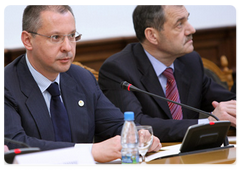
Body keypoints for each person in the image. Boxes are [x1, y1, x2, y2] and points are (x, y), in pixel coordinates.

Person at [2, 3, 161, 163]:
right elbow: (14, 145)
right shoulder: (6, 86)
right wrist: (89, 152)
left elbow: (113, 124)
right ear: (28, 40)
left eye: (72, 36)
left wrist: (138, 136)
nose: (67, 47)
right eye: (55, 37)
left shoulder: (82, 78)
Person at [99, 3, 237, 142]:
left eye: (187, 20)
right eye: (179, 24)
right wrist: (208, 123)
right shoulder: (118, 70)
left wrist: (230, 110)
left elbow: (227, 101)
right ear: (152, 35)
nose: (191, 29)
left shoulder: (190, 61)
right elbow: (136, 124)